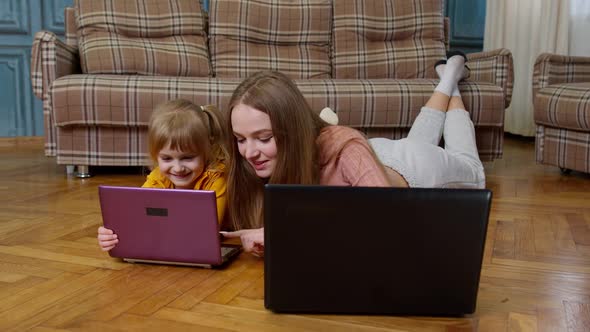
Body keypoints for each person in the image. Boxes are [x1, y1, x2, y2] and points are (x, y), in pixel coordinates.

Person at [222, 52, 484, 256]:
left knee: (472, 170)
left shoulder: (344, 148)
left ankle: (451, 76)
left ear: (292, 129)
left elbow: (387, 221)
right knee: (416, 139)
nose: (249, 152)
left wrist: (284, 232)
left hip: (414, 171)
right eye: (240, 139)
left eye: (264, 138)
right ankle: (448, 76)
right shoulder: (259, 160)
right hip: (373, 157)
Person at [97, 99, 229, 251]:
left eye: (188, 157)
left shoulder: (216, 177)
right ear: (156, 156)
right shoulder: (158, 178)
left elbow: (204, 231)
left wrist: (155, 229)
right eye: (167, 158)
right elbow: (137, 218)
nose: (178, 168)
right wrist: (113, 234)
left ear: (207, 151)